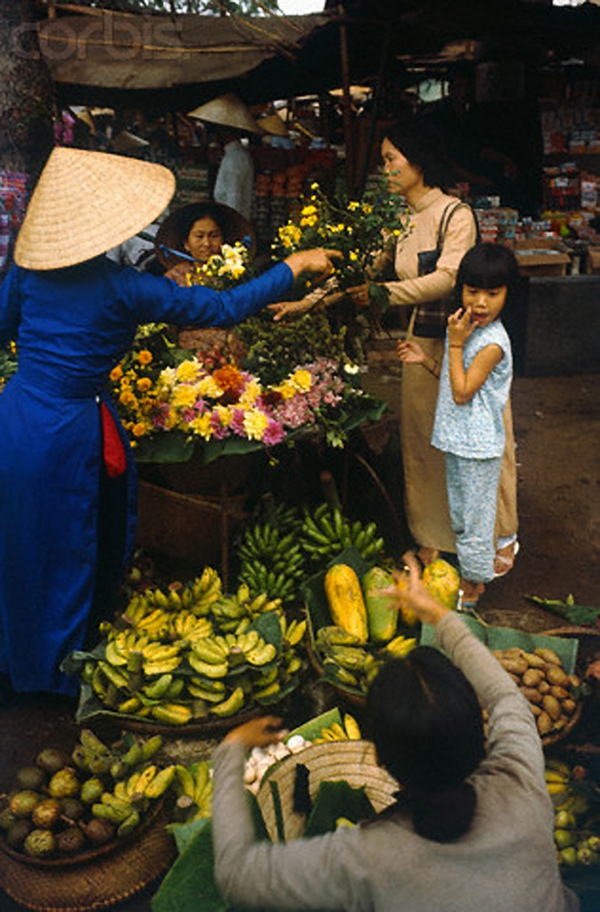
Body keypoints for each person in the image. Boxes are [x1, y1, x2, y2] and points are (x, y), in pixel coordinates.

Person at [0, 146, 338, 698]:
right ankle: (56, 677)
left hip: (14, 420)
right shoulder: (121, 288)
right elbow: (225, 309)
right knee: (66, 551)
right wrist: (293, 267)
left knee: (17, 544)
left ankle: (15, 663)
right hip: (63, 436)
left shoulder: (28, 273)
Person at [211, 551, 579, 912]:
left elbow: (237, 874)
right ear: (477, 734)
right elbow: (502, 695)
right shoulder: (522, 779)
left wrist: (229, 750)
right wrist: (438, 615)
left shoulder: (367, 859)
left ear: (380, 759)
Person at [351, 118, 518, 574]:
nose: (384, 169)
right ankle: (431, 537)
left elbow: (448, 277)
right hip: (419, 340)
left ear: (417, 161)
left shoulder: (453, 215)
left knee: (479, 443)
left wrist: (382, 294)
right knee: (424, 443)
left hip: (464, 339)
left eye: (391, 159)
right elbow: (369, 267)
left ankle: (491, 539)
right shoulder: (400, 219)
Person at [398, 243, 519, 607]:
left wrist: (453, 344)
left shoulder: (493, 343)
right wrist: (425, 360)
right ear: (460, 290)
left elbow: (463, 392)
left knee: (475, 524)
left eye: (492, 293)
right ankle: (473, 575)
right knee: (463, 518)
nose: (481, 302)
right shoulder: (471, 332)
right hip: (459, 441)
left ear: (508, 294)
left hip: (478, 447)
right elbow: (456, 382)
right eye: (472, 291)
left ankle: (473, 585)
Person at [154, 200, 254, 356]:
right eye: (199, 236)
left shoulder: (235, 273)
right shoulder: (174, 278)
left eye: (214, 236)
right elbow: (165, 328)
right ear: (186, 243)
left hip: (234, 356)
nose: (207, 243)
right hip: (189, 359)